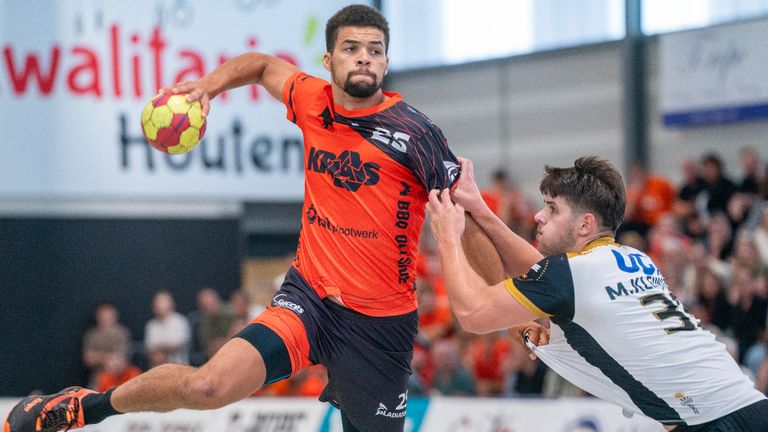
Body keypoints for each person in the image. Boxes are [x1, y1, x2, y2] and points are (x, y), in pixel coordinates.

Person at [4, 5, 499, 432]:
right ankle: (81, 408)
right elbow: (262, 65)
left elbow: (471, 218)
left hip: (381, 325)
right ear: (329, 61)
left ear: (387, 62)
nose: (364, 56)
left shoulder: (416, 133)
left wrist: (512, 302)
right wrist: (209, 86)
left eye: (375, 48)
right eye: (351, 48)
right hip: (310, 300)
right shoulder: (312, 99)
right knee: (207, 384)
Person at [426, 155, 768, 431]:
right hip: (747, 406)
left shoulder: (572, 274)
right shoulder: (629, 258)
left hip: (713, 421)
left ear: (585, 225)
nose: (538, 216)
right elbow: (537, 272)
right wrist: (481, 210)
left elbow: (472, 314)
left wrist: (446, 235)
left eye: (552, 209)